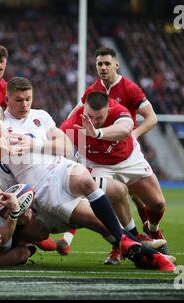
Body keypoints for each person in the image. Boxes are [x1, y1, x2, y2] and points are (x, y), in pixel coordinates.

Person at [0, 77, 175, 271]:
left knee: (90, 181)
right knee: (98, 222)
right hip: (42, 186)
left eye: (28, 99)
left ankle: (134, 242)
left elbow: (66, 146)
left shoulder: (41, 116)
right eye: (19, 100)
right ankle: (141, 252)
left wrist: (34, 144)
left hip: (60, 167)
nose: (25, 104)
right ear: (7, 99)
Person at [54, 47, 168, 260]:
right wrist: (65, 138)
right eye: (99, 64)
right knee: (114, 196)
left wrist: (134, 134)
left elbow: (151, 118)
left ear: (116, 65)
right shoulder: (92, 91)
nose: (103, 68)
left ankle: (152, 228)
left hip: (127, 156)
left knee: (157, 203)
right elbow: (75, 115)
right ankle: (123, 243)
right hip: (97, 161)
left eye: (107, 63)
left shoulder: (130, 89)